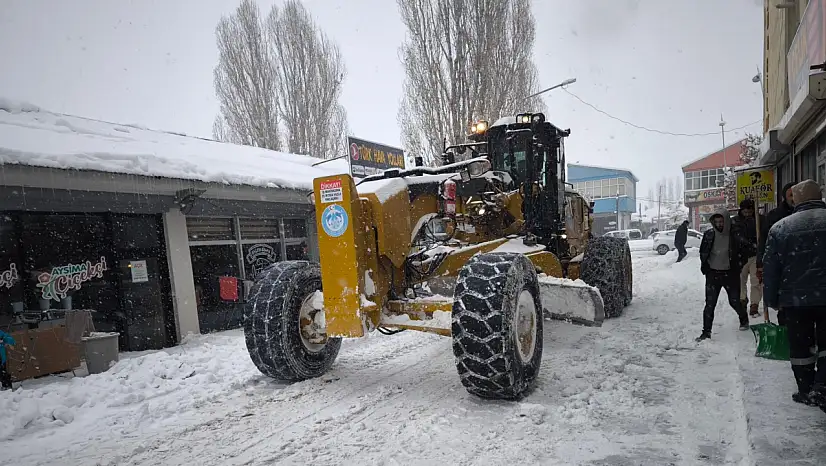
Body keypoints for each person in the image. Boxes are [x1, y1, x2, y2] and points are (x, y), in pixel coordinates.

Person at [762, 180, 826, 407]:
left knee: (800, 346)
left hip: (795, 300)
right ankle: (822, 385)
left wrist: (771, 299)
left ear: (797, 199)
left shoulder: (781, 228)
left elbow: (771, 268)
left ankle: (806, 389)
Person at [696, 209, 749, 341]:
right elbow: (703, 251)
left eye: (721, 221)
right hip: (713, 274)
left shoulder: (734, 235)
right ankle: (706, 332)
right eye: (717, 222)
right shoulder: (709, 235)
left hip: (730, 274)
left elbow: (745, 251)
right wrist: (706, 266)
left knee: (734, 301)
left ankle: (743, 318)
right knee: (710, 304)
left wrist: (739, 265)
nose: (719, 224)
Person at [757, 180, 797, 325]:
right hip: (783, 267)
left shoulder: (808, 214)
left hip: (805, 268)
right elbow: (764, 241)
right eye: (790, 195)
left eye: (796, 194)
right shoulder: (775, 216)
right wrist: (760, 263)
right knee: (786, 308)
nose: (794, 198)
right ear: (784, 197)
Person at [732, 198, 766, 317]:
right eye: (745, 212)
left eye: (750, 212)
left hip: (755, 255)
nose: (747, 214)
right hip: (740, 256)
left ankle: (754, 304)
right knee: (740, 281)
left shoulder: (760, 220)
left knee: (756, 281)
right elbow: (734, 237)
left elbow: (764, 235)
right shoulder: (735, 222)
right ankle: (742, 300)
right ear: (741, 211)